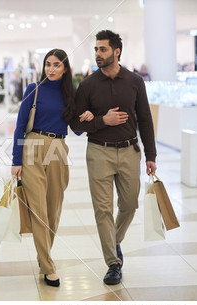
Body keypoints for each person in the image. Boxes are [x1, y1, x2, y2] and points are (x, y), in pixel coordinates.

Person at [69, 30, 157, 285]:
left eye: (103, 49)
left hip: (130, 151)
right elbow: (75, 123)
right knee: (103, 210)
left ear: (116, 51)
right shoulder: (87, 85)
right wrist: (100, 120)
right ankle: (113, 263)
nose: (97, 54)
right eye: (96, 49)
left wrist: (150, 154)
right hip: (98, 152)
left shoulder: (134, 81)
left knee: (130, 205)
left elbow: (145, 119)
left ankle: (113, 241)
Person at [11, 49, 93, 287]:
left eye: (56, 65)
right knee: (38, 210)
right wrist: (16, 160)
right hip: (33, 147)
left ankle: (42, 255)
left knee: (53, 210)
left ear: (65, 68)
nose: (51, 69)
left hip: (58, 148)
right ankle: (48, 266)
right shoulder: (33, 90)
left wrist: (86, 116)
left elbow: (76, 129)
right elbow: (19, 127)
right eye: (48, 64)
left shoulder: (71, 95)